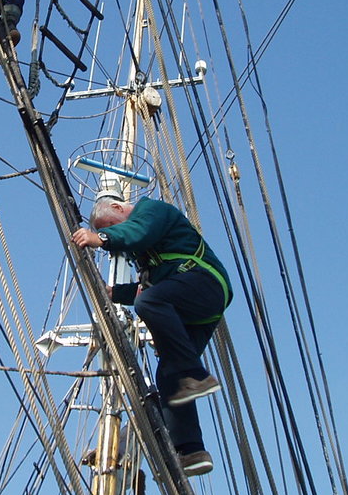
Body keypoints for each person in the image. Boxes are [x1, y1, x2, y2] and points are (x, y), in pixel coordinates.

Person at [70, 194, 233, 477]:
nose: (110, 234)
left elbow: (137, 233)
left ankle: (194, 374)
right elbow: (144, 290)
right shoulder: (146, 260)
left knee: (150, 304)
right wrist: (114, 294)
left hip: (204, 282)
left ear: (120, 209)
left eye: (109, 225)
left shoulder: (152, 211)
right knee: (168, 375)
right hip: (194, 311)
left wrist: (102, 238)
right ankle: (192, 451)